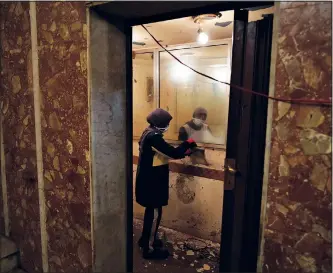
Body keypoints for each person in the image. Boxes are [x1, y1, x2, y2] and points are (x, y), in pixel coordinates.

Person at [136, 108, 197, 260]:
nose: (168, 125)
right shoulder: (154, 137)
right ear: (160, 123)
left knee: (152, 211)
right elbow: (172, 153)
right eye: (167, 123)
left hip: (148, 179)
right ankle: (148, 250)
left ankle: (145, 239)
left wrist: (183, 146)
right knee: (155, 213)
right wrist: (186, 147)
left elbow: (162, 152)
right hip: (152, 182)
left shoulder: (147, 132)